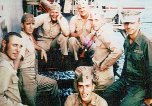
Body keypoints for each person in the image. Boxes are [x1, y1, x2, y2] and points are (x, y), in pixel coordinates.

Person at [101, 10, 152, 106]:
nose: (128, 26)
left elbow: (151, 70)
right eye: (126, 23)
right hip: (126, 80)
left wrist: (149, 96)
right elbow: (126, 63)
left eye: (132, 23)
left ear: (139, 23)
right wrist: (121, 81)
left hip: (141, 85)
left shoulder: (147, 42)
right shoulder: (127, 41)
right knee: (105, 97)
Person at [14, 13, 61, 106]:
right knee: (32, 103)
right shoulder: (21, 40)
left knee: (53, 84)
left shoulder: (28, 37)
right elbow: (18, 58)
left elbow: (32, 45)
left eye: (33, 24)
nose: (31, 27)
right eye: (28, 24)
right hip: (26, 75)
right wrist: (13, 77)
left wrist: (41, 49)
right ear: (22, 25)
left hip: (34, 73)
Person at [90, 11, 123, 91]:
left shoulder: (105, 33)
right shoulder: (99, 31)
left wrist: (104, 65)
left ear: (102, 20)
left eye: (96, 20)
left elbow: (118, 50)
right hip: (97, 71)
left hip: (103, 77)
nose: (93, 23)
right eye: (91, 20)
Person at [0, 32, 26, 106]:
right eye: (15, 45)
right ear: (4, 43)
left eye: (20, 46)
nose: (18, 50)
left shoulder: (8, 62)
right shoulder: (4, 66)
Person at [68, 0, 95, 66]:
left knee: (94, 46)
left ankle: (93, 64)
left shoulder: (93, 18)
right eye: (80, 8)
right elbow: (70, 33)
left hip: (90, 43)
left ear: (87, 8)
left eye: (83, 7)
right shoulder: (74, 19)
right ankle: (76, 60)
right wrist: (79, 35)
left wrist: (88, 38)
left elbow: (94, 34)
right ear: (77, 10)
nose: (82, 10)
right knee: (71, 40)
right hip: (79, 43)